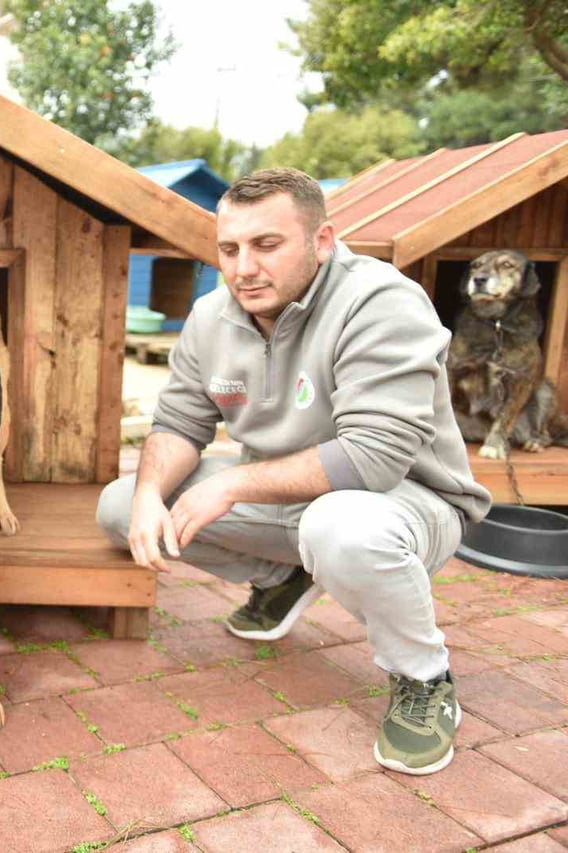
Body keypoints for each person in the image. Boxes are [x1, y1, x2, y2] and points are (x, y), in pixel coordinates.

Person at [96, 168, 491, 776]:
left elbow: (375, 455)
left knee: (342, 527)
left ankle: (424, 677)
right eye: (230, 249)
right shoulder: (210, 317)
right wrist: (151, 492)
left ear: (321, 240)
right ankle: (284, 575)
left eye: (267, 245)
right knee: (121, 507)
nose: (244, 269)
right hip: (286, 497)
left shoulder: (381, 302)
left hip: (406, 502)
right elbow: (178, 422)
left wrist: (230, 484)